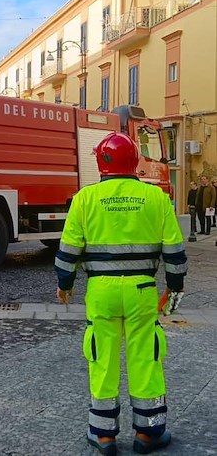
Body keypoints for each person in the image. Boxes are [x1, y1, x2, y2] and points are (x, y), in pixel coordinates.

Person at [54, 132, 187, 455]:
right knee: (146, 357)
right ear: (135, 161)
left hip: (101, 291)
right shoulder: (155, 197)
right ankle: (149, 432)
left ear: (101, 161)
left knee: (101, 358)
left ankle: (103, 435)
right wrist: (175, 286)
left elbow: (69, 247)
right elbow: (174, 247)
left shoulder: (86, 198)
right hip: (142, 290)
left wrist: (65, 283)